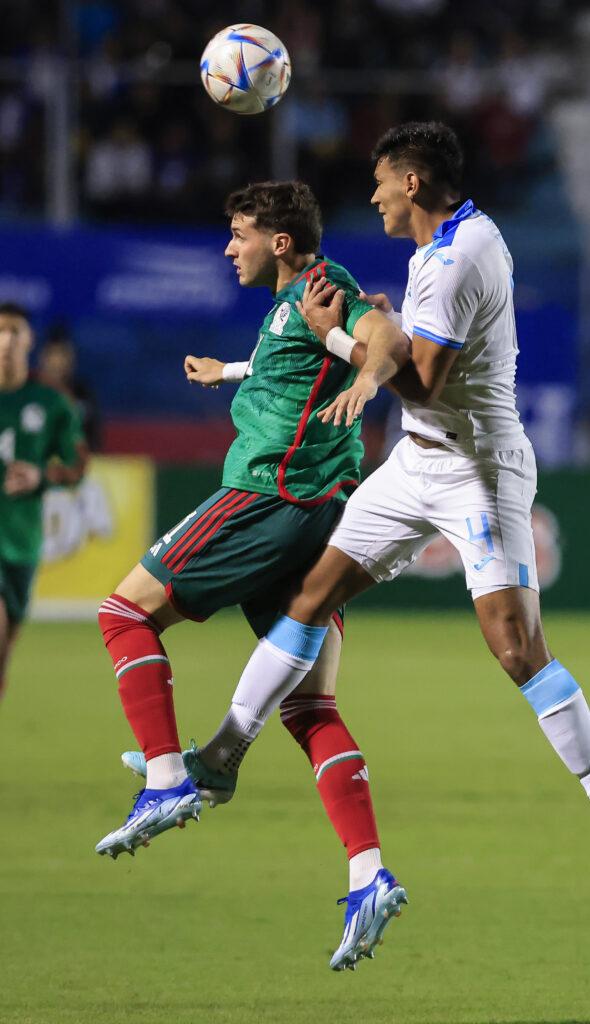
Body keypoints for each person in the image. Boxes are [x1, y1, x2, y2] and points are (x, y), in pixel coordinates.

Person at [190, 123, 590, 958]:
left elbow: (427, 378)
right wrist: (370, 334)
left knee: (515, 648)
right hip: (417, 462)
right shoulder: (455, 238)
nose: (370, 197)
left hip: (479, 468)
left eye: (379, 183)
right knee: (312, 596)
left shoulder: (454, 258)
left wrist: (337, 336)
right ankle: (222, 756)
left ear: (411, 182)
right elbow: (407, 349)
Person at [94, 182, 409, 964]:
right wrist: (227, 372)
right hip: (321, 514)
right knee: (311, 707)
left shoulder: (321, 286)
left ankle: (169, 778)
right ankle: (369, 874)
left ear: (277, 241)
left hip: (269, 493)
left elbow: (384, 338)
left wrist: (369, 373)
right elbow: (294, 360)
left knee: (123, 613)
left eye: (237, 234)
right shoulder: (288, 306)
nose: (228, 247)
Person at [0, 303, 87, 703]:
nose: (6, 341)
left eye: (15, 331)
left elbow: (77, 464)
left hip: (21, 543)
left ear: (29, 340)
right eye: (0, 331)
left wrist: (41, 476)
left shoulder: (51, 401)